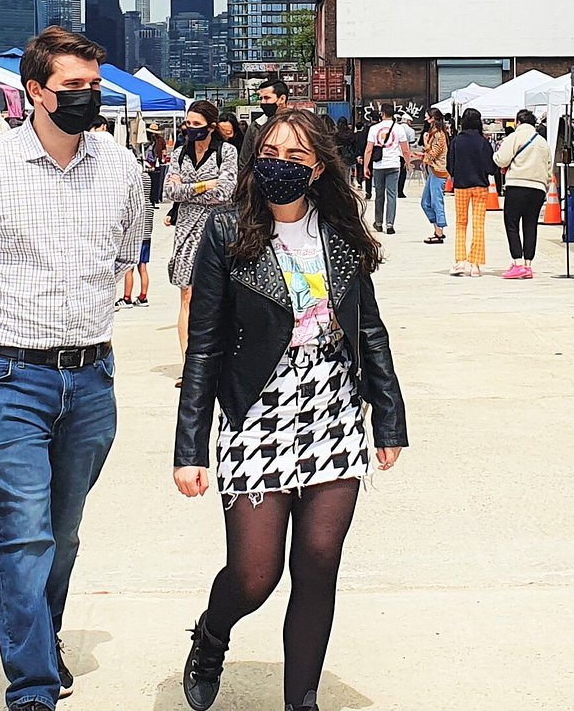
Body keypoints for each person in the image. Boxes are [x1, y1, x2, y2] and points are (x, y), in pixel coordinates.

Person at [0, 27, 144, 711]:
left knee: (64, 530)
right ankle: (33, 685)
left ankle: (38, 638)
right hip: (5, 378)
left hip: (90, 379)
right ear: (34, 92)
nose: (86, 98)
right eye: (71, 87)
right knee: (25, 528)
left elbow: (124, 255)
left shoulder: (121, 168)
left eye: (93, 86)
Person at [173, 109, 407, 711]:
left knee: (319, 562)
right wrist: (190, 448)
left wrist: (388, 416)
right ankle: (212, 634)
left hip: (333, 408)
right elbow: (204, 347)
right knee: (255, 573)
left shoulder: (341, 233)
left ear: (319, 168)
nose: (280, 163)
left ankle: (301, 698)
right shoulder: (227, 232)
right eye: (270, 151)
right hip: (258, 411)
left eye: (296, 156)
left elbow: (370, 330)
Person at [167, 101, 238, 378]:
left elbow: (225, 192)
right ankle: (189, 363)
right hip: (185, 230)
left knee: (219, 294)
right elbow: (169, 192)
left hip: (215, 228)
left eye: (197, 125)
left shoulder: (226, 152)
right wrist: (204, 185)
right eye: (188, 124)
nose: (190, 129)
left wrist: (188, 190)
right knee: (187, 294)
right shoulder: (179, 155)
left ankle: (220, 356)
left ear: (211, 127)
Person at [493, 109, 552, 278]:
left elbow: (502, 159)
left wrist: (496, 157)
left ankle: (517, 262)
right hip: (538, 189)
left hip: (517, 185)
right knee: (530, 225)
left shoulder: (514, 138)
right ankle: (528, 264)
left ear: (518, 122)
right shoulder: (542, 142)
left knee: (511, 223)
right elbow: (549, 169)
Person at [447, 107, 495, 277]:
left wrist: (456, 174)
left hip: (461, 185)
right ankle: (475, 264)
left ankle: (460, 261)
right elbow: (491, 166)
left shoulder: (456, 141)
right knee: (478, 223)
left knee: (461, 223)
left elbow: (450, 166)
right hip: (480, 186)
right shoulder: (483, 142)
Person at [363, 103, 410, 235]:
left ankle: (378, 223)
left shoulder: (374, 129)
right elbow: (405, 149)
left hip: (378, 166)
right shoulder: (399, 128)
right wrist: (407, 163)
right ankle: (390, 224)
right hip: (394, 164)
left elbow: (368, 150)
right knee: (392, 195)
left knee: (379, 195)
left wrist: (366, 166)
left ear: (381, 114)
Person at [120, 152, 156, 308]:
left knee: (129, 268)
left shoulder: (136, 204)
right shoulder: (150, 206)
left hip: (134, 238)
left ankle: (126, 297)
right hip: (147, 238)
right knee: (143, 267)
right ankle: (143, 296)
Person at [241, 79, 290, 168]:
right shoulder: (255, 127)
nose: (263, 102)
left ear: (282, 99)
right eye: (261, 98)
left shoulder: (299, 125)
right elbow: (244, 162)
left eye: (267, 98)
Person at [420, 108, 450, 245]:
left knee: (436, 201)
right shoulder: (435, 133)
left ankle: (439, 231)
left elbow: (434, 153)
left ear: (432, 118)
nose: (425, 118)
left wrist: (426, 144)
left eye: (427, 116)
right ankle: (438, 228)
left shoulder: (439, 135)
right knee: (426, 202)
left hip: (438, 171)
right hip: (433, 170)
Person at [395, 114, 417, 198]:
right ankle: (400, 191)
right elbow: (411, 144)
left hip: (395, 153)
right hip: (403, 154)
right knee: (402, 173)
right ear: (408, 121)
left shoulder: (396, 128)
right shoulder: (410, 131)